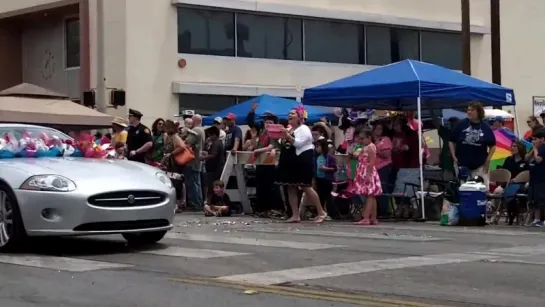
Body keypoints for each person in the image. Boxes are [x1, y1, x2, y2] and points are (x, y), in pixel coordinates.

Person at [275, 106, 328, 223]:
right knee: (290, 187)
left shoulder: (304, 129)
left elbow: (298, 144)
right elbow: (282, 144)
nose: (290, 115)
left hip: (302, 161)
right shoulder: (289, 129)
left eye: (293, 113)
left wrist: (287, 136)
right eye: (289, 113)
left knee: (306, 186)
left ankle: (321, 211)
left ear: (299, 117)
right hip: (290, 161)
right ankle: (295, 214)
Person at [247, 103, 282, 215]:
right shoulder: (262, 132)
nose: (268, 124)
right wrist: (252, 111)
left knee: (270, 187)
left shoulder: (274, 134)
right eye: (266, 122)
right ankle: (261, 209)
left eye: (270, 123)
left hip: (270, 163)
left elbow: (271, 146)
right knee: (260, 186)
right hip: (260, 162)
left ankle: (273, 209)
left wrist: (257, 151)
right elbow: (251, 123)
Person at [449, 102, 496, 186]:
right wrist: (453, 156)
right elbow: (451, 140)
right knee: (464, 190)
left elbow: (493, 145)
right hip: (462, 165)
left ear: (479, 112)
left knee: (482, 190)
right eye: (468, 110)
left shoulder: (485, 127)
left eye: (472, 110)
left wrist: (488, 161)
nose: (469, 112)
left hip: (480, 166)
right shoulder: (461, 124)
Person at [352, 129, 383, 225]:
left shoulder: (371, 147)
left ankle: (366, 217)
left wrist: (368, 175)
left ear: (369, 137)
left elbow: (372, 162)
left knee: (369, 195)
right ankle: (373, 217)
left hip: (368, 172)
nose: (361, 140)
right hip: (363, 171)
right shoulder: (364, 147)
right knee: (371, 195)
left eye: (362, 138)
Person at [161, 120, 186, 212]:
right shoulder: (168, 137)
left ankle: (179, 204)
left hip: (175, 163)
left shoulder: (175, 137)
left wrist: (171, 154)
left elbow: (182, 146)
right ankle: (176, 203)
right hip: (170, 164)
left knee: (177, 183)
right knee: (172, 182)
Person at [372, 122, 392, 217]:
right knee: (374, 189)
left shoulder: (385, 140)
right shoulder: (372, 140)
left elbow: (386, 154)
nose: (377, 131)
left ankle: (384, 211)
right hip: (374, 168)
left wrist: (376, 149)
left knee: (382, 188)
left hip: (384, 167)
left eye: (380, 129)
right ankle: (376, 210)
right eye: (376, 128)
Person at [201, 126, 225, 204]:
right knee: (212, 186)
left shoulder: (216, 143)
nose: (209, 137)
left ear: (214, 135)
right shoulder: (217, 143)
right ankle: (210, 202)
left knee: (212, 187)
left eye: (210, 135)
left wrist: (203, 157)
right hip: (214, 168)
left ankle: (210, 202)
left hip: (214, 169)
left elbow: (213, 155)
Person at [432, 114, 459, 179]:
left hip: (458, 165)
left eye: (454, 123)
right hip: (447, 165)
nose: (452, 125)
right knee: (448, 182)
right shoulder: (447, 133)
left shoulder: (462, 134)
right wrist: (431, 110)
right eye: (451, 123)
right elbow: (437, 124)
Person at [183, 122, 203, 211]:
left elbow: (186, 143)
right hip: (197, 161)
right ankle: (199, 203)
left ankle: (195, 204)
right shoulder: (202, 130)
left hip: (192, 161)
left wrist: (185, 133)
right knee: (197, 183)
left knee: (192, 183)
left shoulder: (195, 130)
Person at [527, 130, 545, 227]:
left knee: (542, 200)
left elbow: (538, 160)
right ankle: (536, 219)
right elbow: (526, 158)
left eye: (535, 139)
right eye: (532, 139)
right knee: (535, 200)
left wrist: (534, 148)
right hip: (534, 178)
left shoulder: (543, 149)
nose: (533, 141)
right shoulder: (536, 149)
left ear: (542, 139)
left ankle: (543, 219)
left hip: (542, 179)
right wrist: (533, 149)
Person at [314, 138, 337, 215]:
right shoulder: (315, 157)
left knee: (328, 197)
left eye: (318, 146)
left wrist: (325, 168)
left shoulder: (330, 157)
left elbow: (335, 168)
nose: (316, 148)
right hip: (319, 179)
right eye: (316, 146)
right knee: (320, 196)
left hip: (326, 180)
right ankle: (321, 212)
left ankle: (332, 213)